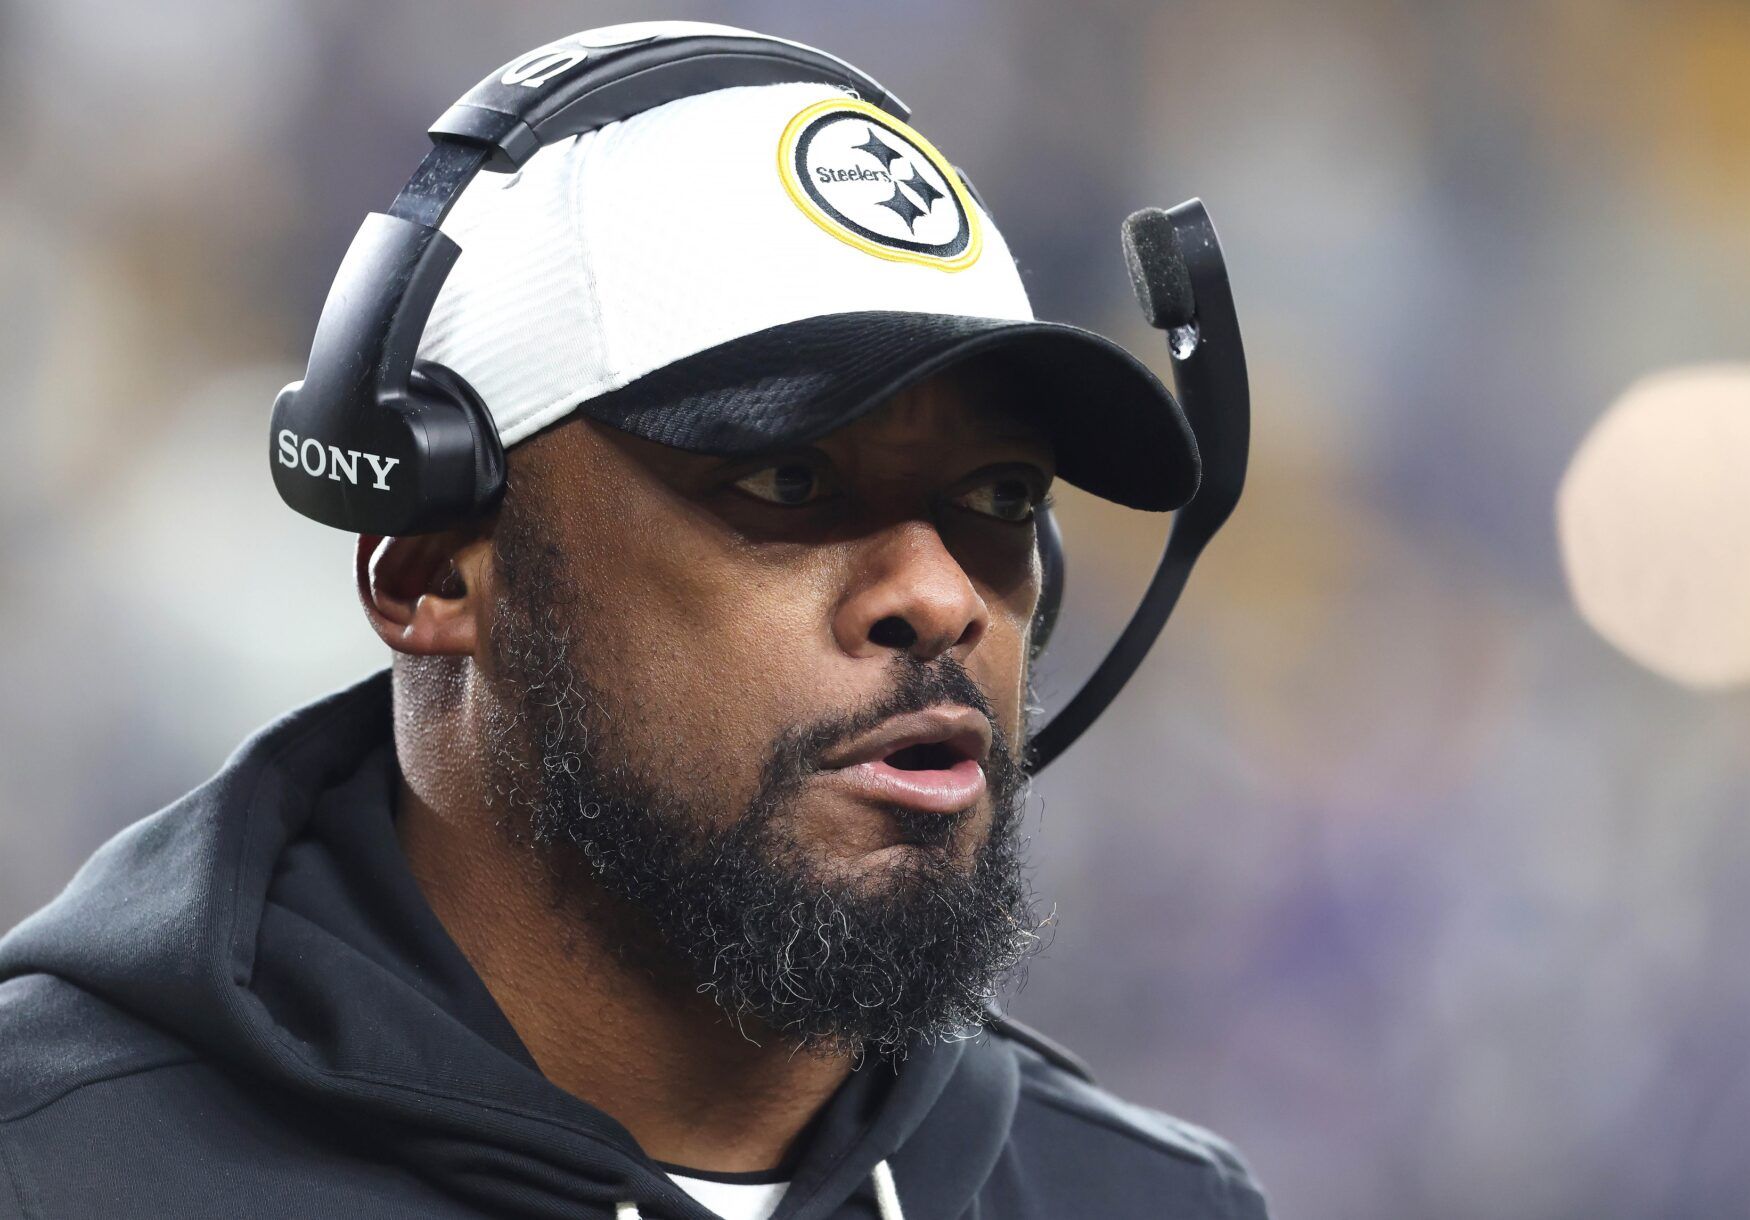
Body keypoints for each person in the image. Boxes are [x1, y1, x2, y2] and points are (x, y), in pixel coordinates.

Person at [0, 28, 1269, 1220]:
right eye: (787, 481)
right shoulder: (52, 1164)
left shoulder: (1143, 1197)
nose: (941, 597)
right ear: (433, 571)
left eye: (999, 498)